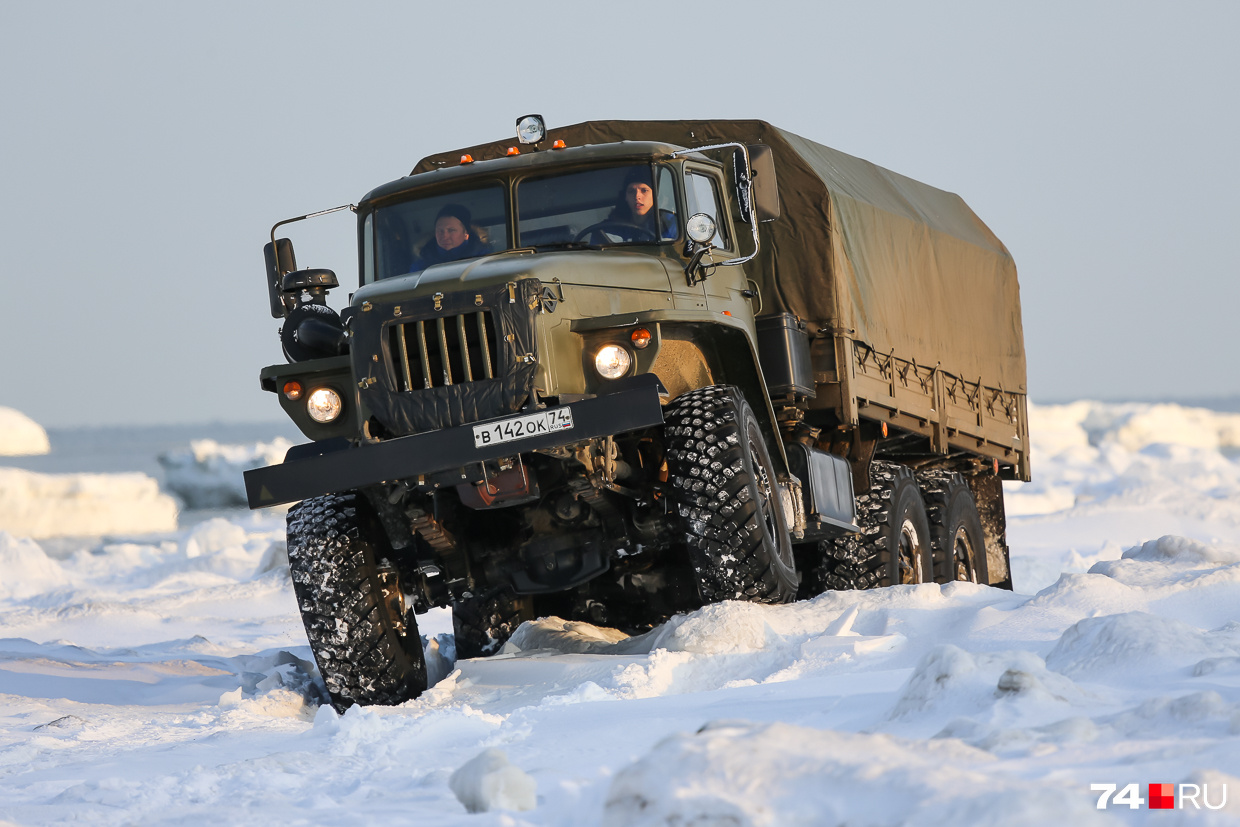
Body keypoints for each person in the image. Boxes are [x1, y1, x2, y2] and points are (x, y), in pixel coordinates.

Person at [606, 168, 678, 240]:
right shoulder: (610, 227)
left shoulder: (670, 224)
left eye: (644, 191)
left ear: (655, 196)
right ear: (625, 197)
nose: (637, 196)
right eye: (631, 191)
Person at [417, 204, 490, 266]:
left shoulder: (484, 259)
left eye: (451, 230)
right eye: (440, 230)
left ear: (465, 233)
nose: (444, 236)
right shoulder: (422, 265)